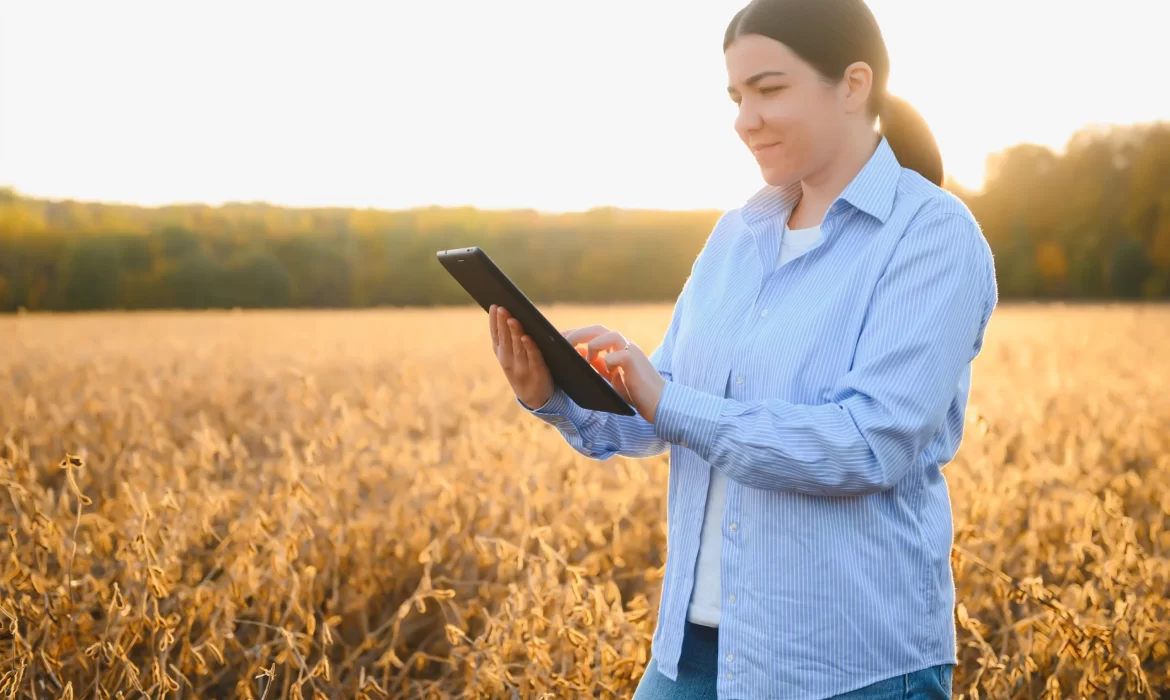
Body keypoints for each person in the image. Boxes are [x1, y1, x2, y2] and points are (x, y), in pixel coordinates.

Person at [486, 0, 998, 696]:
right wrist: (552, 389)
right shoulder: (736, 235)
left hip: (849, 666)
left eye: (770, 89)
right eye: (736, 95)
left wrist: (670, 400)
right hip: (693, 655)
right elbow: (660, 414)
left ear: (852, 85)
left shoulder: (931, 235)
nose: (744, 119)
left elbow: (868, 444)